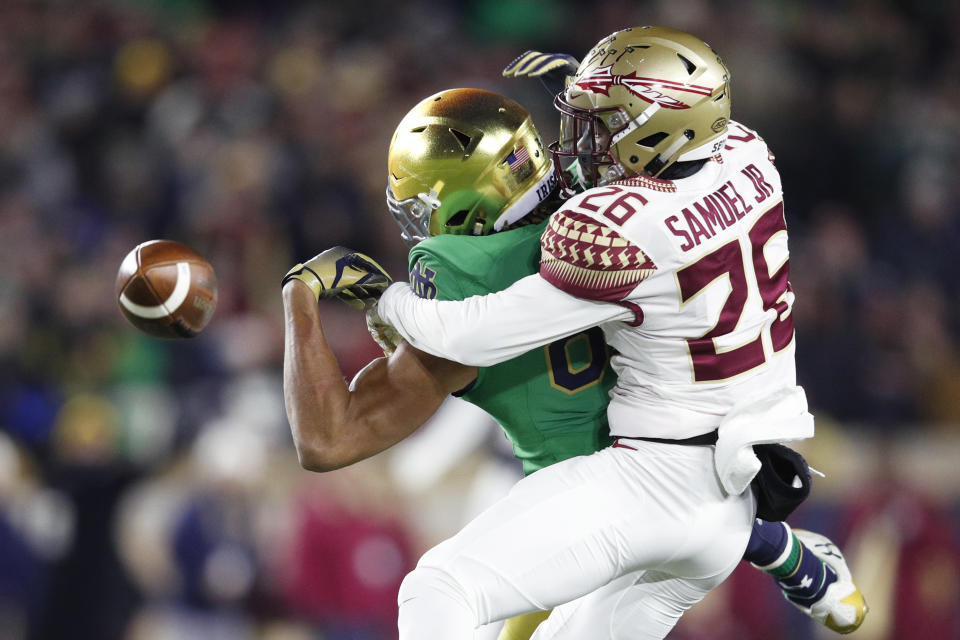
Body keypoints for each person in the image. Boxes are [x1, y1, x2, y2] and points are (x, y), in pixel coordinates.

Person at [283, 81, 864, 640]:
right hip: (722, 482)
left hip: (613, 499)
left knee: (439, 591)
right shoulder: (616, 196)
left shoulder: (462, 272)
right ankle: (780, 549)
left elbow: (330, 440)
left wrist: (305, 298)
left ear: (458, 201)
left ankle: (779, 549)